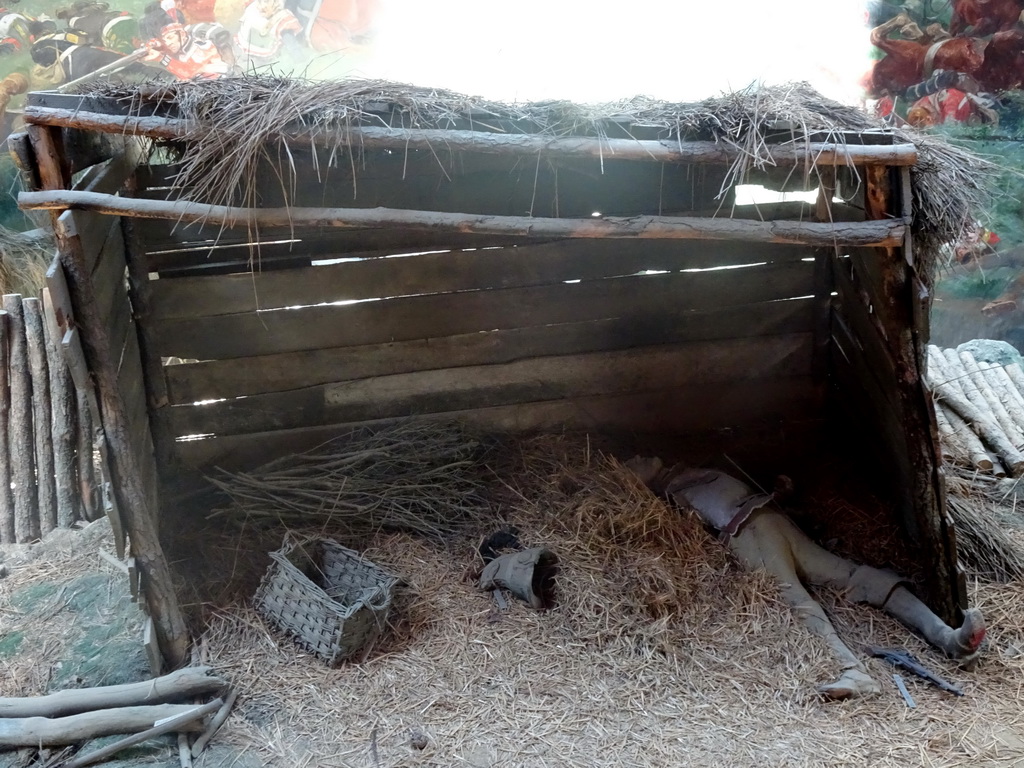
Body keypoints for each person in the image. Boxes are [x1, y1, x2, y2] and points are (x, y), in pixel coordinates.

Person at [625, 457, 987, 700]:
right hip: (747, 535)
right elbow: (692, 539)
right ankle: (854, 671)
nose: (639, 458)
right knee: (796, 599)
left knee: (855, 574)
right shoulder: (666, 498)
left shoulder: (694, 471)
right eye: (631, 464)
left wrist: (782, 495)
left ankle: (948, 638)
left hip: (771, 521)